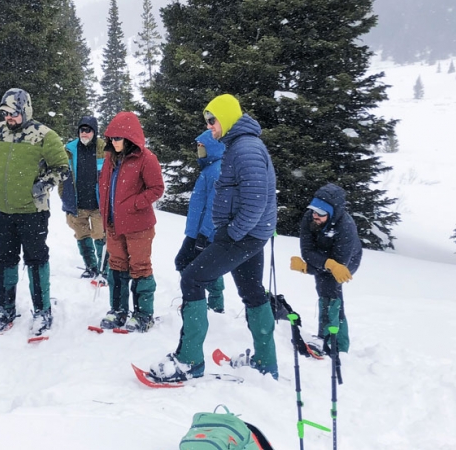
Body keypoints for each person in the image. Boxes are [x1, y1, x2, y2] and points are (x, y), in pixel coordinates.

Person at [150, 94, 278, 381]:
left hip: (242, 236)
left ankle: (188, 361)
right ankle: (266, 363)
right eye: (207, 122)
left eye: (213, 120)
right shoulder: (239, 145)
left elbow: (256, 201)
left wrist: (230, 233)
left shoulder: (245, 149)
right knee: (253, 292)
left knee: (192, 278)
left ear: (228, 117)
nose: (209, 127)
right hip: (249, 235)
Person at [0, 88, 70, 336]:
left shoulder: (44, 135)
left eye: (14, 114)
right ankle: (5, 308)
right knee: (5, 259)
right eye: (6, 113)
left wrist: (41, 186)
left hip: (32, 211)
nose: (9, 118)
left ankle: (42, 310)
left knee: (36, 259)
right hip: (1, 210)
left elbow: (62, 168)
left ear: (25, 110)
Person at [97, 111, 165, 332]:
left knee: (140, 268)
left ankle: (143, 314)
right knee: (116, 267)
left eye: (117, 138)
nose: (113, 142)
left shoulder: (146, 158)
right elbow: (106, 187)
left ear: (129, 138)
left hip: (139, 226)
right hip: (114, 224)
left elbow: (157, 189)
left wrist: (134, 204)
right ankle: (118, 310)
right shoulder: (109, 159)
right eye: (111, 138)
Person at [290, 183, 362, 353]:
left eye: (321, 213)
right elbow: (307, 252)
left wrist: (306, 268)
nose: (315, 215)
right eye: (314, 210)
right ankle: (328, 338)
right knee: (324, 288)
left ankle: (334, 343)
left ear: (332, 213)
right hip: (322, 257)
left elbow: (338, 264)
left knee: (330, 289)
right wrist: (323, 263)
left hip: (347, 261)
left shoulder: (346, 227)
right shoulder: (310, 218)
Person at [174, 130, 226, 313]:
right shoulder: (210, 168)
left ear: (212, 146)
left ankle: (206, 304)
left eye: (202, 146)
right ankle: (204, 303)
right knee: (194, 264)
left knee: (187, 263)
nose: (198, 149)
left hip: (204, 233)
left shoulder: (217, 170)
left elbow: (215, 206)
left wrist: (204, 233)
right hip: (196, 231)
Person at [61, 116, 108, 280]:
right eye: (82, 130)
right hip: (76, 204)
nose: (84, 133)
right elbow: (63, 176)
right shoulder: (69, 149)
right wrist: (64, 197)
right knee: (81, 235)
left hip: (98, 204)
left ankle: (104, 269)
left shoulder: (105, 148)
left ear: (94, 131)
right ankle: (91, 267)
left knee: (101, 235)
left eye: (88, 130)